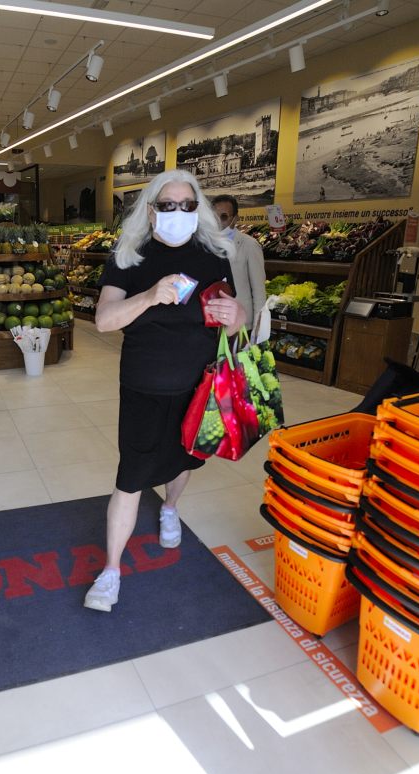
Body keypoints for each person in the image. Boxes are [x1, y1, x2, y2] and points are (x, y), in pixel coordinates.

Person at [85, 170, 247, 612]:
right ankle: (111, 569)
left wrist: (236, 315)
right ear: (151, 210)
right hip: (144, 385)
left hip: (199, 384)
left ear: (199, 210)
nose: (179, 212)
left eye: (188, 205)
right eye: (169, 205)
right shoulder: (129, 256)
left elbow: (232, 319)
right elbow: (104, 320)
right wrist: (149, 296)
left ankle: (171, 508)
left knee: (186, 456)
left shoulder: (215, 255)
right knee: (131, 476)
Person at [211, 194, 267, 339]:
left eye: (224, 217)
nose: (218, 222)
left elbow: (259, 292)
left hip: (241, 325)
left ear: (235, 218)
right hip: (213, 323)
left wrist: (258, 330)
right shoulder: (207, 245)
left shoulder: (249, 245)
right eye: (214, 217)